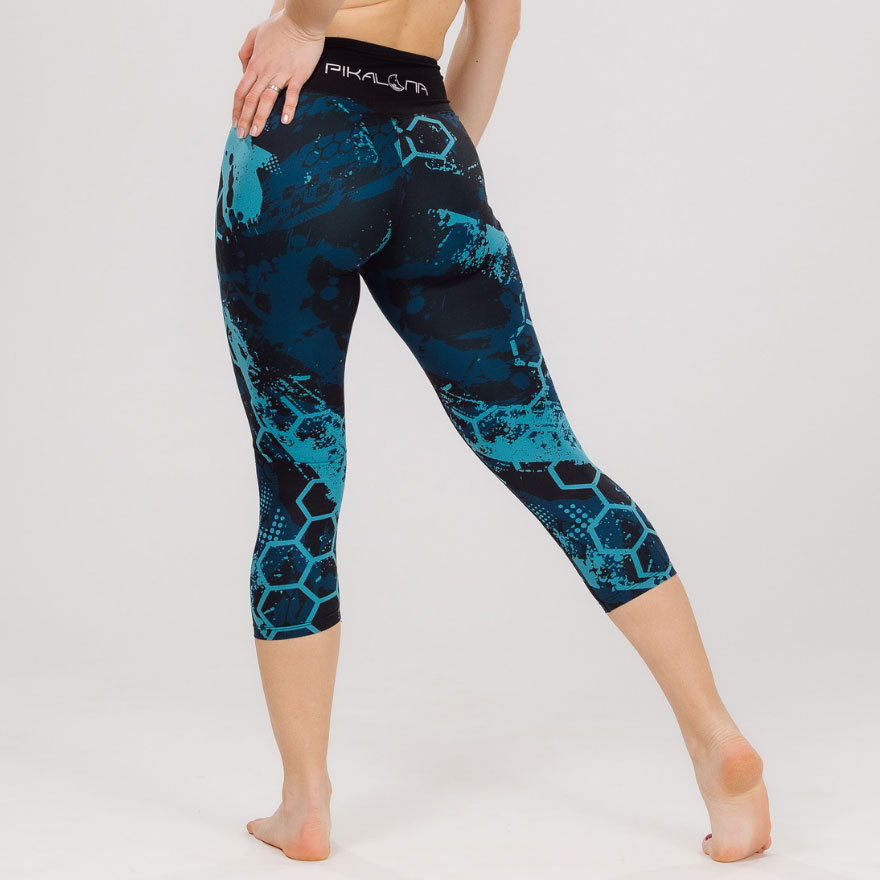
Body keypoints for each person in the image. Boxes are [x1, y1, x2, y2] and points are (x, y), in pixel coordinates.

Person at [214, 0, 772, 864]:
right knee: (553, 462)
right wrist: (429, 170)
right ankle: (715, 736)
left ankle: (305, 803)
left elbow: (318, 19)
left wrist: (303, 19)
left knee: (299, 485)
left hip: (304, 136)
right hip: (433, 143)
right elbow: (499, 26)